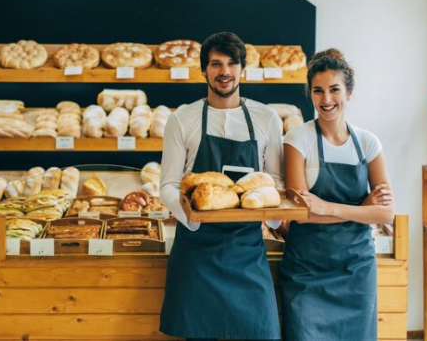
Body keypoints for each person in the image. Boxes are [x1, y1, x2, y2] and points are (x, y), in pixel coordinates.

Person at [159, 31, 283, 341]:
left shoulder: (267, 119)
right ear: (204, 70)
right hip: (196, 252)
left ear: (242, 69)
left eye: (232, 63)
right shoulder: (182, 119)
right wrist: (196, 218)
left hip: (248, 250)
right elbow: (169, 186)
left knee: (259, 332)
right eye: (215, 64)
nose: (224, 72)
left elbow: (275, 182)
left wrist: (272, 217)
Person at [279, 48, 395, 341]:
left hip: (356, 271)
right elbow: (300, 214)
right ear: (310, 94)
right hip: (306, 270)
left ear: (349, 92)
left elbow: (385, 213)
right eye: (318, 91)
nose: (326, 99)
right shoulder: (297, 139)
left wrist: (328, 208)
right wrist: (360, 209)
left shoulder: (368, 143)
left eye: (334, 90)